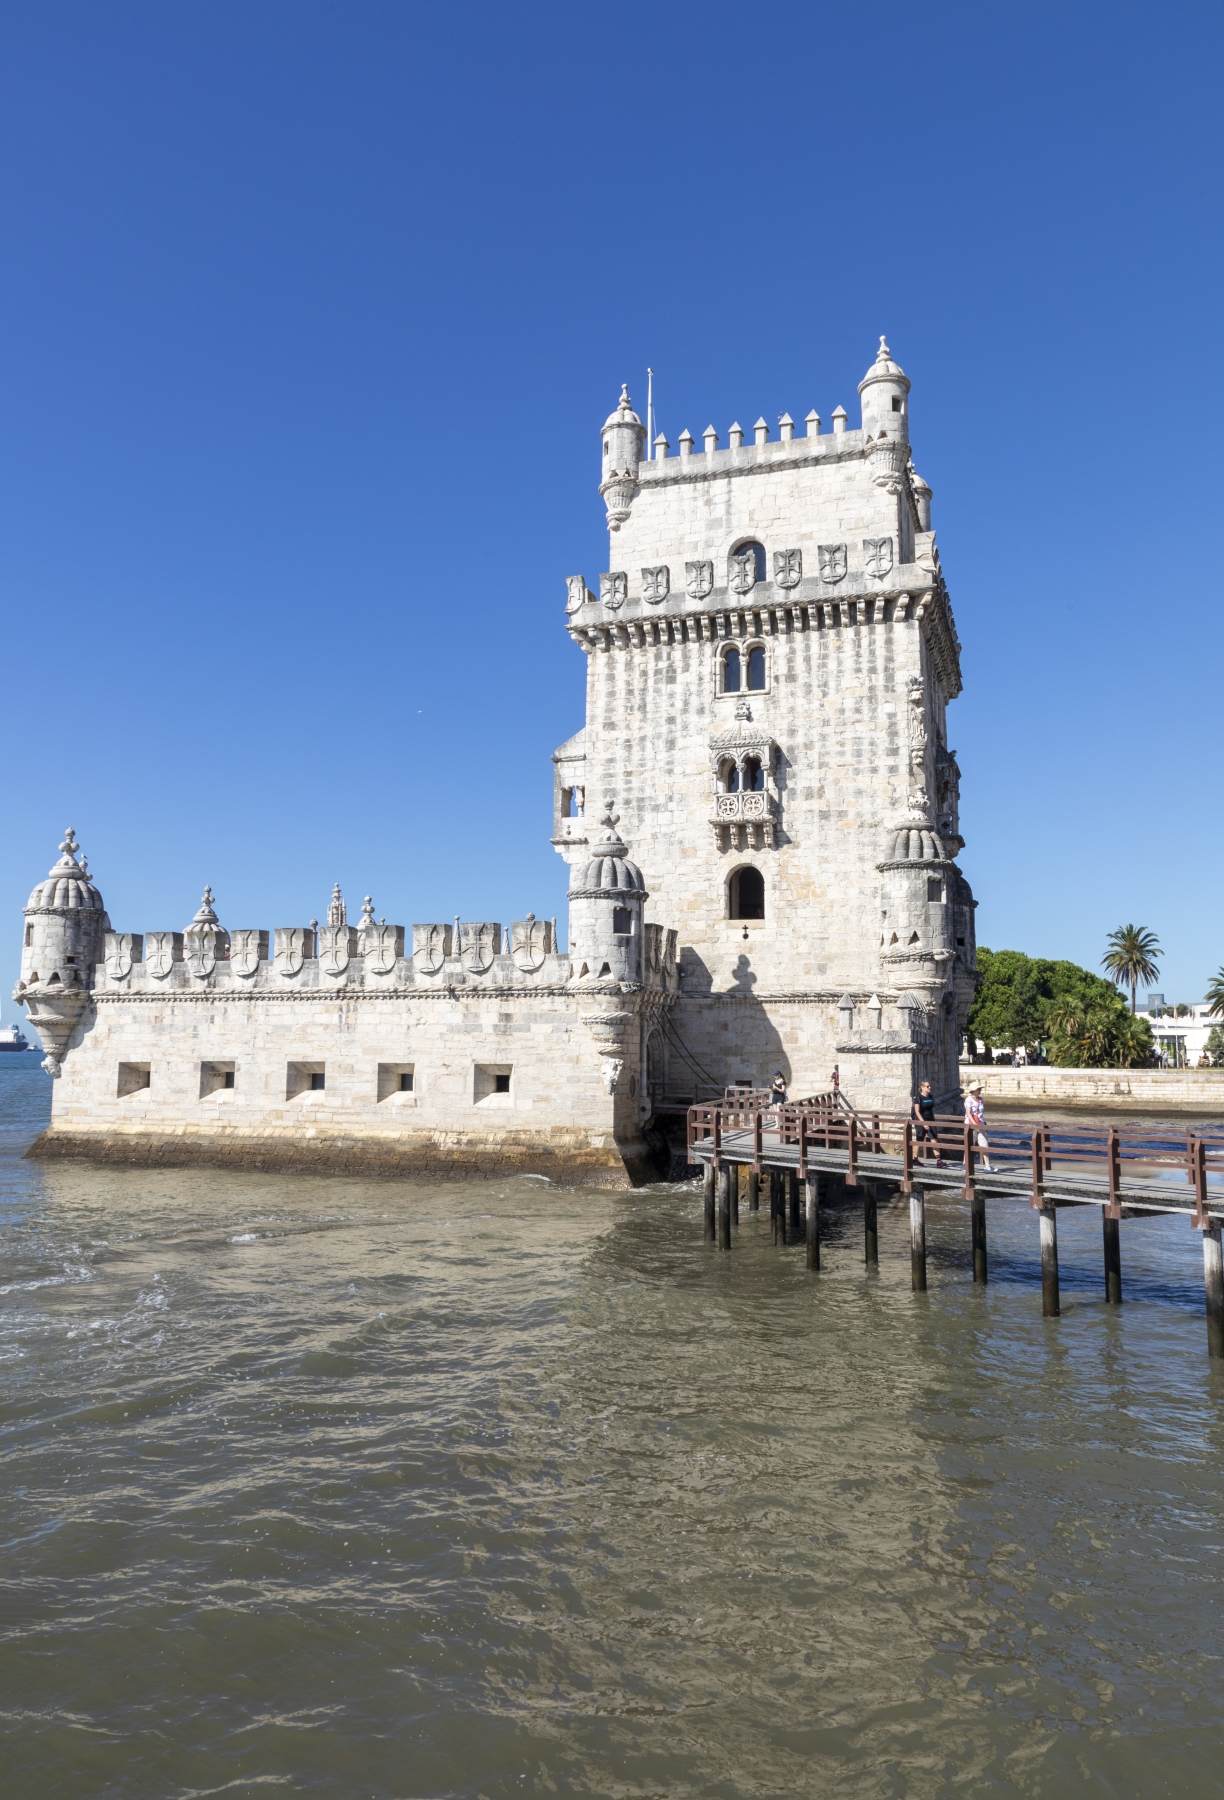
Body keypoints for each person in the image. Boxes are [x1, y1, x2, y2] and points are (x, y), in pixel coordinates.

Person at [910, 1080, 946, 1165]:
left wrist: (933, 1121)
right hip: (921, 1122)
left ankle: (938, 1160)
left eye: (929, 1086)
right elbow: (917, 1111)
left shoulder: (930, 1096)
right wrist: (923, 1123)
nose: (930, 1087)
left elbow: (931, 1110)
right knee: (919, 1140)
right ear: (922, 1088)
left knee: (934, 1140)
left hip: (931, 1121)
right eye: (927, 1086)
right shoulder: (918, 1098)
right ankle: (915, 1159)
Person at [964, 1079, 993, 1172]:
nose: (980, 1090)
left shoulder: (981, 1100)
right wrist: (974, 1124)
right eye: (978, 1089)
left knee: (984, 1145)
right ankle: (964, 1164)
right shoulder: (968, 1100)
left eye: (980, 1089)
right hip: (971, 1125)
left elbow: (981, 1113)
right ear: (974, 1090)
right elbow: (968, 1113)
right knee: (969, 1145)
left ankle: (987, 1166)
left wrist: (982, 1124)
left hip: (981, 1124)